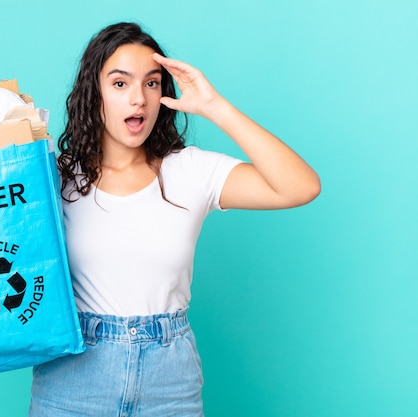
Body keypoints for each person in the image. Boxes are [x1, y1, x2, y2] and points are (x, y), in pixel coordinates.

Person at [29, 22, 320, 417]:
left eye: (151, 84)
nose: (139, 100)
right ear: (92, 93)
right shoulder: (58, 178)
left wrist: (215, 106)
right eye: (120, 84)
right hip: (75, 377)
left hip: (168, 379)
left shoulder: (190, 172)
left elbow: (300, 186)